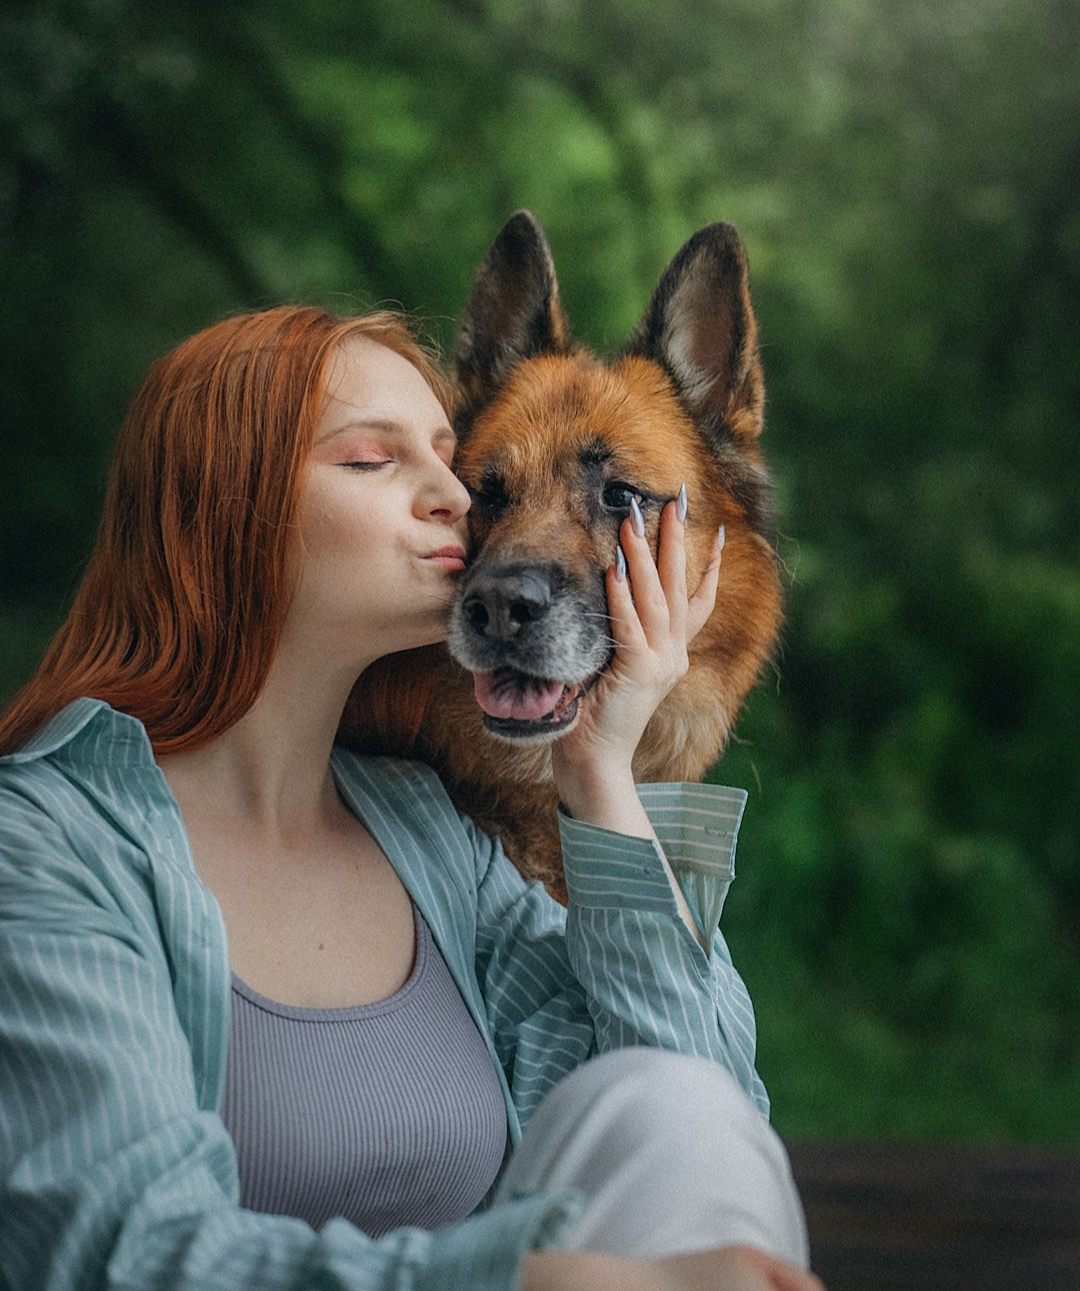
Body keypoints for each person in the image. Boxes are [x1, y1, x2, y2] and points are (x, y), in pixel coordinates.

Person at [0, 306, 822, 1291]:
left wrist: (602, 772)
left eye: (447, 459)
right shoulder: (43, 845)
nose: (460, 503)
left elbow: (710, 1116)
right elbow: (111, 1254)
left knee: (666, 1102)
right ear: (223, 504)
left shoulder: (425, 838)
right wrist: (530, 1281)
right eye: (372, 461)